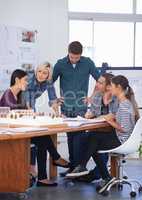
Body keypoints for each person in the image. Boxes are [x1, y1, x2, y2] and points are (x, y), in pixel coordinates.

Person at [65, 75, 139, 194]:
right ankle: (93, 171)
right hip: (121, 137)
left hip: (123, 140)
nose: (110, 89)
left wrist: (109, 121)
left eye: (112, 86)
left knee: (93, 141)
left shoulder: (124, 104)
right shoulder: (125, 102)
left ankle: (90, 169)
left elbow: (124, 129)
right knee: (93, 139)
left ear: (118, 87)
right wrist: (110, 118)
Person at [0, 69, 69, 187]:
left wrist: (38, 115)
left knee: (42, 136)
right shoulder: (8, 95)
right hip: (9, 134)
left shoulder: (20, 95)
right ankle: (54, 160)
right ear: (17, 80)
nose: (28, 83)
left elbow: (27, 113)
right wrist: (28, 114)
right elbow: (12, 117)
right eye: (26, 80)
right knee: (43, 138)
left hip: (20, 131)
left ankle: (44, 174)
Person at [52, 41, 100, 176]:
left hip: (81, 108)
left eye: (77, 57)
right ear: (68, 52)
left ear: (81, 55)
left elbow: (100, 80)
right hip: (66, 107)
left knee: (79, 137)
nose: (74, 60)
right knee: (70, 137)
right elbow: (50, 82)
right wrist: (55, 99)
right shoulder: (60, 64)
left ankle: (79, 167)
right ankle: (73, 166)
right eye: (72, 57)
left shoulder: (88, 63)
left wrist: (92, 97)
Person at [66, 73, 118, 180]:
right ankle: (78, 168)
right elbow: (94, 112)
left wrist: (98, 118)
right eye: (97, 82)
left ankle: (94, 172)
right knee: (79, 138)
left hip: (114, 132)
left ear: (108, 86)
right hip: (99, 129)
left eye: (100, 83)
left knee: (93, 140)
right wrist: (88, 115)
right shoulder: (98, 95)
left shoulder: (115, 97)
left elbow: (113, 116)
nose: (97, 84)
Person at [24, 62, 63, 177]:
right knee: (38, 135)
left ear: (48, 75)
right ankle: (55, 158)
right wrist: (33, 115)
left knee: (41, 136)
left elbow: (53, 99)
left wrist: (57, 114)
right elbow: (27, 102)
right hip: (20, 107)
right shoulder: (30, 79)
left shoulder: (49, 81)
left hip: (31, 107)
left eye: (44, 73)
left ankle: (36, 170)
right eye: (39, 71)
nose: (41, 75)